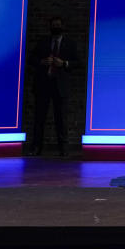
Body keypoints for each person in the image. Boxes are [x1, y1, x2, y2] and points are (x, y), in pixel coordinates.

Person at [28, 16, 75, 157]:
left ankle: (63, 149)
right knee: (39, 119)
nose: (56, 27)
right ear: (50, 27)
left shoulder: (70, 44)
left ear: (62, 27)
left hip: (60, 86)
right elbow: (31, 59)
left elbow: (78, 63)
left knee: (61, 119)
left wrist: (64, 63)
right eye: (53, 25)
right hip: (43, 85)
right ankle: (36, 148)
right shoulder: (43, 42)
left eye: (58, 25)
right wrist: (42, 62)